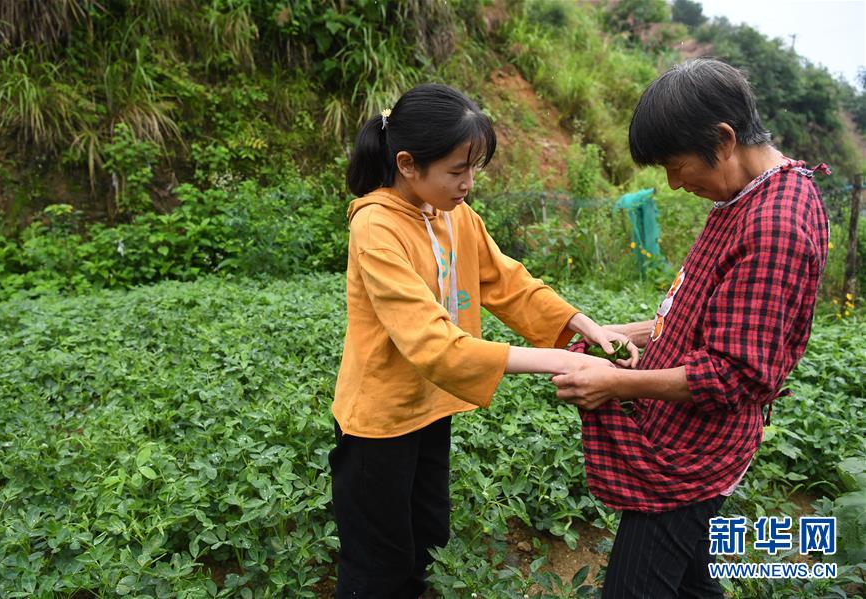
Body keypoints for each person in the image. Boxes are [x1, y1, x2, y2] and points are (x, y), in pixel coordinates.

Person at [331, 83, 638, 598]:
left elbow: (506, 282)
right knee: (378, 563)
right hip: (379, 423)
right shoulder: (376, 228)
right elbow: (432, 342)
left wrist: (582, 324)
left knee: (427, 539)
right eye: (458, 170)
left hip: (430, 409)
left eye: (475, 169)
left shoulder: (454, 215)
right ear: (407, 164)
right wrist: (560, 361)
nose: (468, 184)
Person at [552, 58, 830, 598]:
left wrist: (615, 383)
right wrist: (624, 333)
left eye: (676, 166)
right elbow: (696, 315)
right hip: (688, 437)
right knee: (690, 585)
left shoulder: (775, 227)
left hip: (692, 457)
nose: (674, 184)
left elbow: (733, 374)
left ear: (724, 140)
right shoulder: (745, 196)